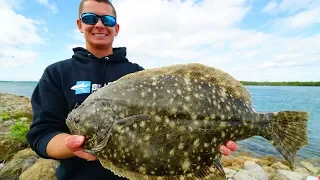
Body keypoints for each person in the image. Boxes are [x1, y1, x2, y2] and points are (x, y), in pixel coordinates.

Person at [26, 0, 239, 179]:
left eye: (107, 20)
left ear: (116, 28)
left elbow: (169, 128)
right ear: (80, 24)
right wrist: (69, 145)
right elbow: (41, 134)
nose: (99, 25)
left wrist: (208, 142)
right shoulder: (57, 73)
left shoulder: (140, 76)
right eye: (90, 18)